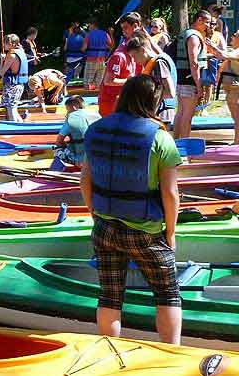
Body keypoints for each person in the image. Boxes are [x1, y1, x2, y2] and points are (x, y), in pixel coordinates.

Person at [81, 75, 182, 345]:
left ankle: (109, 353)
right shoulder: (160, 138)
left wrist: (95, 214)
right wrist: (171, 232)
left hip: (104, 227)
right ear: (153, 102)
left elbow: (85, 180)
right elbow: (170, 195)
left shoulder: (96, 130)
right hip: (147, 232)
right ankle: (171, 355)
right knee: (168, 294)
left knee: (110, 297)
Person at [125, 32, 177, 127]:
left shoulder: (159, 63)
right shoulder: (153, 62)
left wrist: (143, 96)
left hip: (162, 113)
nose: (134, 61)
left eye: (134, 56)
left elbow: (170, 93)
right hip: (156, 111)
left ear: (142, 50)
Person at [173, 10, 211, 139]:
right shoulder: (194, 37)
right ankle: (184, 147)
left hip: (181, 78)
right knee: (187, 115)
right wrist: (199, 85)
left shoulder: (185, 33)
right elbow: (194, 63)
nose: (209, 26)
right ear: (199, 20)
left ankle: (176, 143)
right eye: (207, 22)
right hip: (190, 80)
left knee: (181, 112)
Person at [99, 12, 144, 117]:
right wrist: (130, 80)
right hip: (111, 103)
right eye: (122, 28)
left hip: (124, 101)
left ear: (136, 26)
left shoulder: (135, 50)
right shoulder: (119, 56)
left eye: (125, 28)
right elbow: (108, 81)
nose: (123, 31)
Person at [207, 30, 239, 144]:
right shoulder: (235, 51)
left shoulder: (237, 51)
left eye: (234, 35)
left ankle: (237, 142)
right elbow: (221, 55)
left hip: (236, 90)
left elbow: (224, 55)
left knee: (237, 118)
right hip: (232, 90)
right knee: (236, 118)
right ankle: (237, 141)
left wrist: (214, 46)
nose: (231, 37)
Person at [54, 95, 100, 167]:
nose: (67, 113)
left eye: (67, 110)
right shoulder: (96, 114)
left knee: (57, 150)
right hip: (102, 156)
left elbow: (59, 142)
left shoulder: (71, 118)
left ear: (74, 107)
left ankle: (77, 161)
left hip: (82, 161)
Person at [0, 34, 30, 122]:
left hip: (12, 85)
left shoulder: (11, 55)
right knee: (14, 108)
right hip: (20, 85)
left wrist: (2, 61)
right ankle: (21, 126)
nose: (3, 45)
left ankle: (13, 128)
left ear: (11, 44)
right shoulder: (21, 51)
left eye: (5, 43)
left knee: (10, 108)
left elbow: (1, 72)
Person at [81, 19, 113, 90]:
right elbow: (111, 46)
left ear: (93, 25)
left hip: (91, 61)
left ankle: (88, 94)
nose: (88, 27)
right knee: (98, 83)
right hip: (102, 61)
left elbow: (83, 48)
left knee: (87, 83)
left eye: (89, 25)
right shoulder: (105, 34)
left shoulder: (89, 34)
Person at [202, 17, 227, 103]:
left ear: (216, 25)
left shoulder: (218, 35)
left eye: (213, 24)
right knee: (200, 83)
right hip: (201, 61)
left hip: (213, 61)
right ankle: (198, 104)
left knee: (209, 85)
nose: (211, 26)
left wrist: (214, 47)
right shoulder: (201, 34)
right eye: (210, 23)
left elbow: (224, 51)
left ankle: (205, 105)